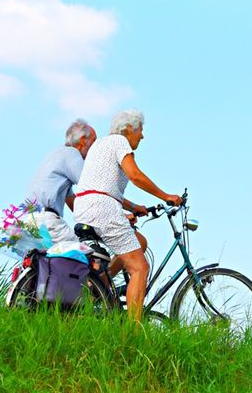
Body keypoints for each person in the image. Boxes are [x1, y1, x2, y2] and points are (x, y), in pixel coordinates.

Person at [73, 109, 182, 322]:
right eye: (140, 130)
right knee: (140, 267)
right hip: (102, 208)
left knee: (139, 242)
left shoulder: (100, 145)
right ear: (129, 129)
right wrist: (166, 195)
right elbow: (135, 175)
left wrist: (133, 207)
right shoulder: (120, 142)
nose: (142, 136)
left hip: (86, 206)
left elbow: (102, 186)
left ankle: (100, 285)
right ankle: (132, 334)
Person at [25, 119, 96, 243]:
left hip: (29, 220)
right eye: (94, 141)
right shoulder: (72, 154)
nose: (95, 146)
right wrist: (120, 214)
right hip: (46, 221)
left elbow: (72, 202)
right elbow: (93, 187)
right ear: (83, 139)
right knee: (86, 255)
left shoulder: (56, 154)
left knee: (48, 261)